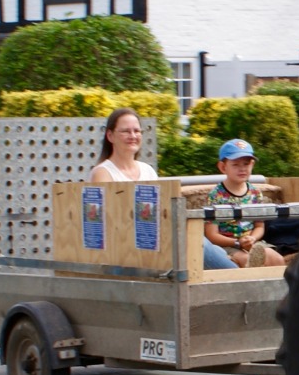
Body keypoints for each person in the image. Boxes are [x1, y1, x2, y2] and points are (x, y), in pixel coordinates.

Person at [89, 107, 236, 270]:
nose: (133, 136)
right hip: (126, 246)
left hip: (154, 238)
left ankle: (234, 267)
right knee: (194, 241)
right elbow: (109, 221)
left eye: (137, 131)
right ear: (110, 136)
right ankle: (238, 278)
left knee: (202, 244)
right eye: (125, 131)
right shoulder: (102, 172)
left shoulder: (147, 170)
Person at [204, 139, 286, 268]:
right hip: (228, 245)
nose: (242, 169)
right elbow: (211, 234)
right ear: (223, 167)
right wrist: (237, 243)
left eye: (246, 164)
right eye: (235, 164)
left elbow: (259, 226)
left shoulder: (255, 193)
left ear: (252, 165)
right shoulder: (216, 195)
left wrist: (252, 239)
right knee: (245, 260)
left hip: (252, 242)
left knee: (277, 259)